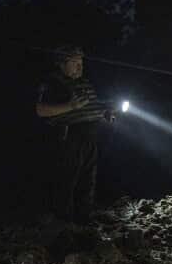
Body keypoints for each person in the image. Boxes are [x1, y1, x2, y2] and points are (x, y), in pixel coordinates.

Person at [35, 45, 114, 224]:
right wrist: (70, 106)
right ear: (61, 64)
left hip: (89, 138)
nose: (80, 67)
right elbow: (41, 110)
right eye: (75, 63)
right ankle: (63, 222)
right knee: (66, 181)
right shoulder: (52, 83)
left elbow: (92, 107)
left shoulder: (83, 82)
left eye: (81, 63)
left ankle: (83, 218)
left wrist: (105, 114)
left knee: (87, 180)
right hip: (68, 139)